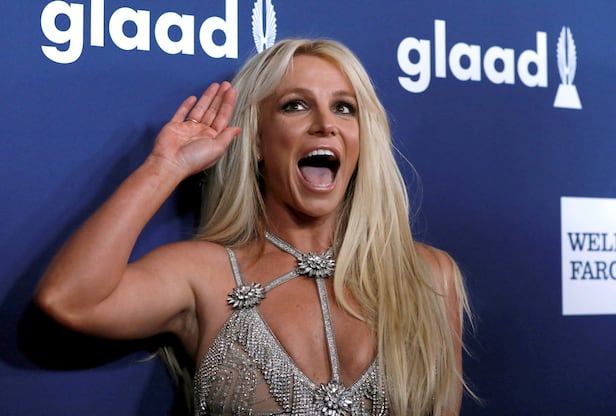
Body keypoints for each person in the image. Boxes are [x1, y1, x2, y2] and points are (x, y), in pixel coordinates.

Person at [36, 38, 470, 415]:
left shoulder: (429, 276)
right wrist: (163, 169)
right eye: (296, 105)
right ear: (257, 139)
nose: (326, 125)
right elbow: (69, 300)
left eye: (344, 108)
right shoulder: (204, 275)